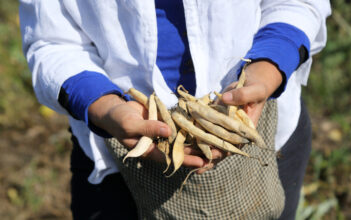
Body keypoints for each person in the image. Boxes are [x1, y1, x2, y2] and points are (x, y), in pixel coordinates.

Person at [20, 0, 331, 219]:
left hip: (262, 125)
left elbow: (298, 3)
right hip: (115, 151)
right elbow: (50, 40)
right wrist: (105, 106)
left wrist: (268, 67)